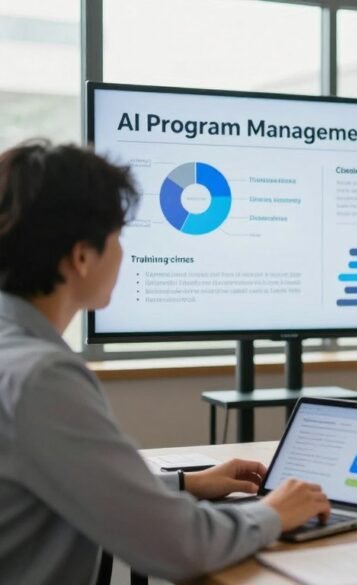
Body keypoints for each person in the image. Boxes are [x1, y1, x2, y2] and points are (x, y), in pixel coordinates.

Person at [0, 140, 332, 584]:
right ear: (81, 257)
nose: (124, 254)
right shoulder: (41, 378)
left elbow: (70, 479)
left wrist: (186, 485)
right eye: (118, 238)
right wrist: (272, 512)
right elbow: (181, 545)